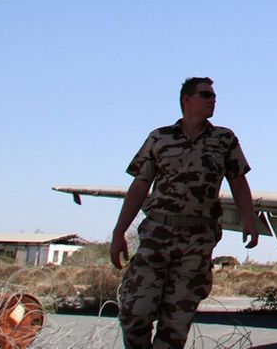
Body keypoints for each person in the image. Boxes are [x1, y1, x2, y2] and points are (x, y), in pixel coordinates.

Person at [110, 77, 259, 349]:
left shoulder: (224, 139)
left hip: (197, 240)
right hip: (157, 235)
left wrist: (249, 218)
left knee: (175, 325)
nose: (213, 99)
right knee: (135, 312)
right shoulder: (159, 138)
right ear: (187, 100)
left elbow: (238, 180)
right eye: (205, 94)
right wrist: (119, 231)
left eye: (213, 95)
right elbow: (140, 185)